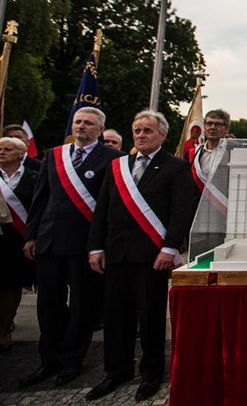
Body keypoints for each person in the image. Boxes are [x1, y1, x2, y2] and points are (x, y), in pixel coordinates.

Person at [86, 110, 194, 401]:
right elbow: (102, 210)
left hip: (152, 255)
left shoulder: (175, 167)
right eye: (137, 130)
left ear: (162, 135)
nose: (141, 135)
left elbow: (181, 212)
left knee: (150, 316)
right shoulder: (118, 166)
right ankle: (117, 370)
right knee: (115, 315)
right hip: (116, 253)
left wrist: (169, 249)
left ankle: (151, 372)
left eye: (147, 130)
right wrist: (95, 247)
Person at [20, 107, 122, 388]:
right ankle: (48, 359)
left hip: (84, 246)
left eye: (88, 123)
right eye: (78, 122)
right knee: (48, 305)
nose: (81, 127)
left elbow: (111, 206)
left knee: (82, 306)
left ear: (100, 130)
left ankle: (71, 361)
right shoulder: (54, 156)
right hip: (49, 242)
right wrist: (31, 236)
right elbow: (40, 199)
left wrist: (101, 245)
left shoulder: (114, 159)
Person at [0, 137, 38, 352]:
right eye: (0, 149)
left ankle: (4, 328)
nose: (2, 152)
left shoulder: (34, 177)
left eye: (8, 149)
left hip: (16, 240)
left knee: (10, 286)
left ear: (21, 154)